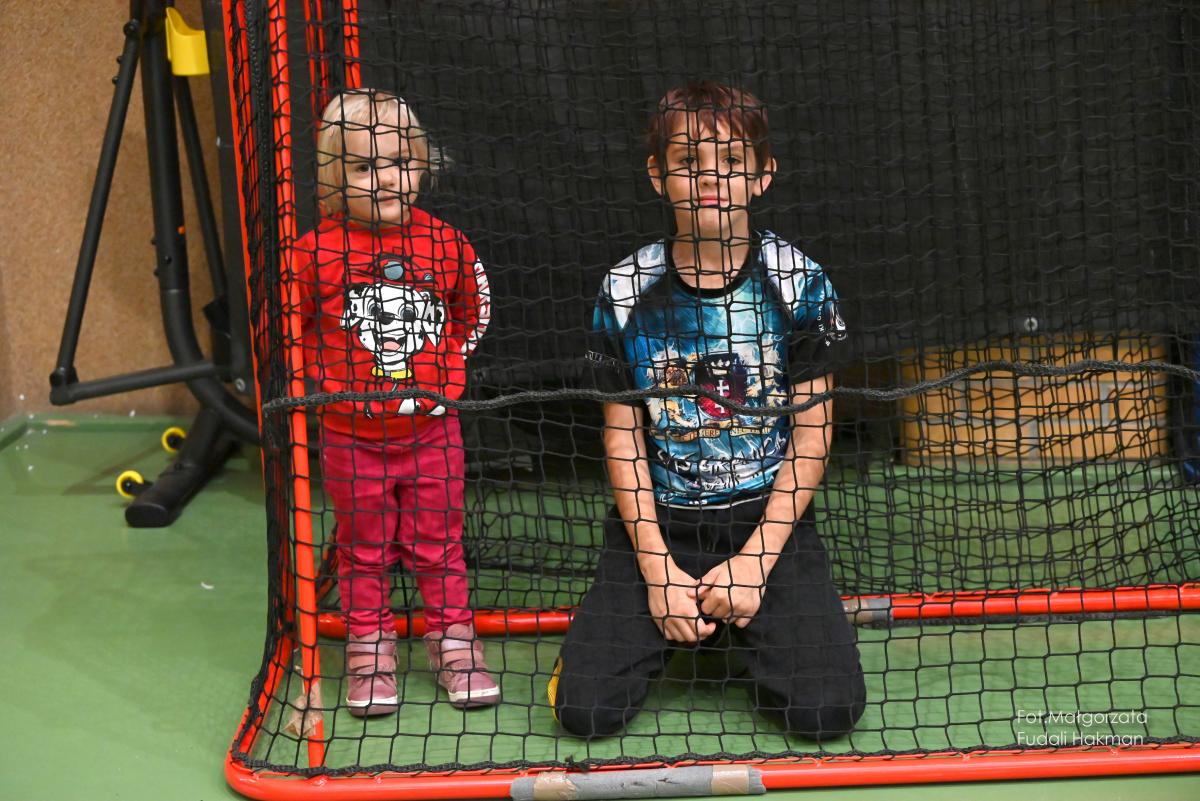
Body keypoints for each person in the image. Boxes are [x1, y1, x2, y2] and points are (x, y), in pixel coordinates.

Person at [550, 81, 866, 738]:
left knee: (826, 711)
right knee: (585, 712)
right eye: (689, 161)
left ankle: (739, 624)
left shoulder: (799, 280)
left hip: (765, 519)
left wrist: (755, 563)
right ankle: (679, 615)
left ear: (763, 175)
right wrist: (658, 570)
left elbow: (812, 436)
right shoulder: (626, 287)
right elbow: (623, 439)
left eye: (731, 160)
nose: (711, 178)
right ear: (658, 175)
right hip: (663, 521)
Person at [290, 89, 497, 716]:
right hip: (351, 437)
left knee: (439, 542)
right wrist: (326, 384)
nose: (385, 179)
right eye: (363, 166)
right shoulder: (313, 252)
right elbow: (295, 330)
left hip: (432, 432)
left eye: (401, 162)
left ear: (422, 165)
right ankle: (369, 648)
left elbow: (473, 311)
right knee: (363, 547)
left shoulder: (447, 243)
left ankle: (453, 641)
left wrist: (445, 368)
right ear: (335, 177)